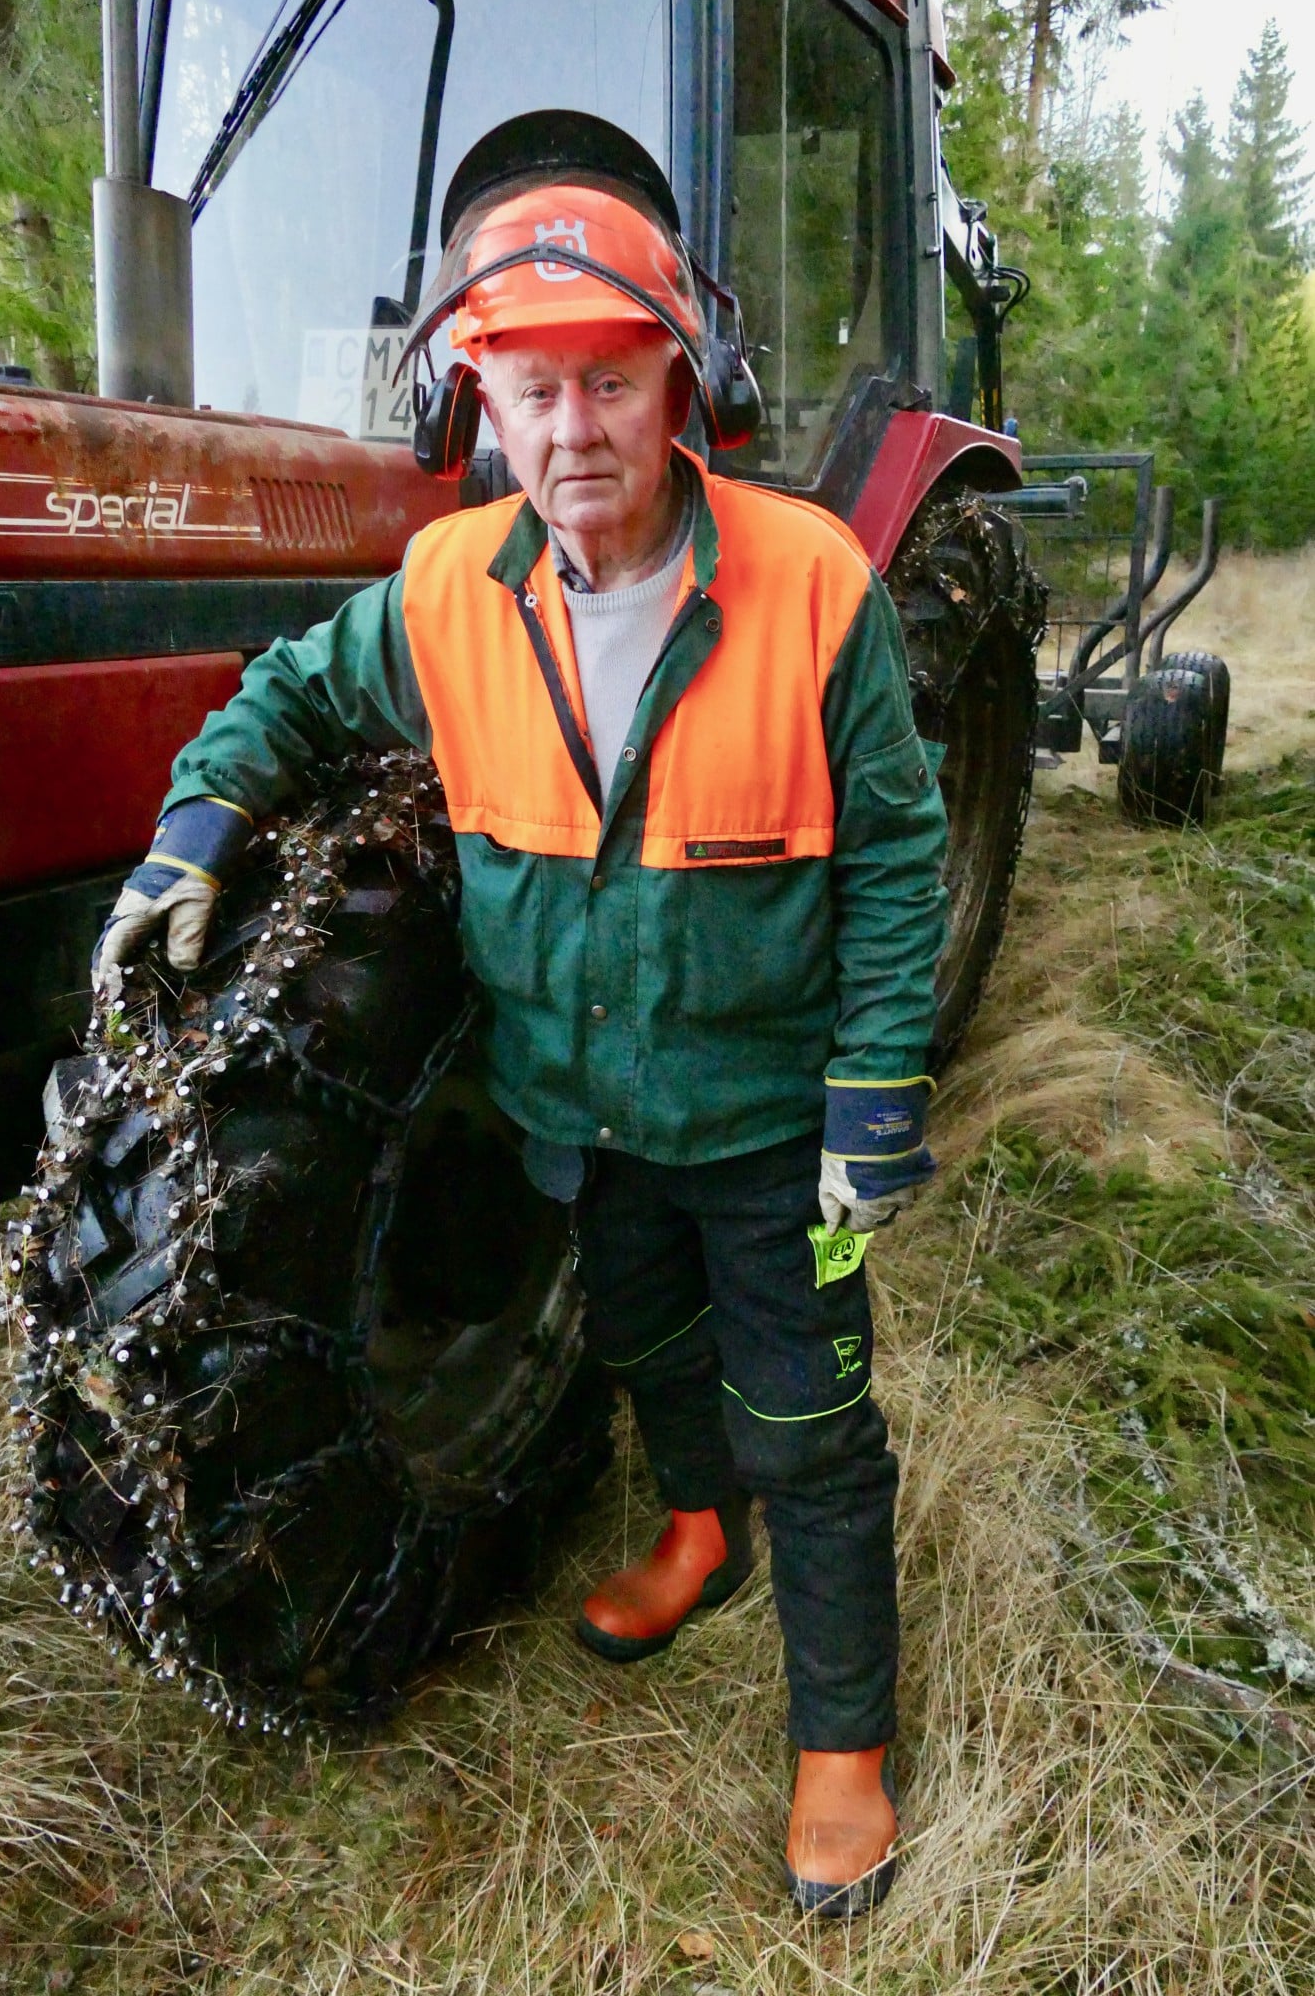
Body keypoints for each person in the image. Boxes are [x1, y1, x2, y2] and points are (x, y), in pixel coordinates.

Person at [94, 116, 948, 1918]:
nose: (572, 431)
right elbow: (283, 699)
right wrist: (191, 835)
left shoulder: (809, 587)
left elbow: (889, 856)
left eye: (609, 383)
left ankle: (843, 1740)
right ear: (477, 407)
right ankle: (694, 1527)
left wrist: (874, 1091)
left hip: (767, 1121)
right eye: (529, 390)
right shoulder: (442, 595)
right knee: (642, 1354)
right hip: (581, 1117)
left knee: (813, 1423)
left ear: (677, 385)